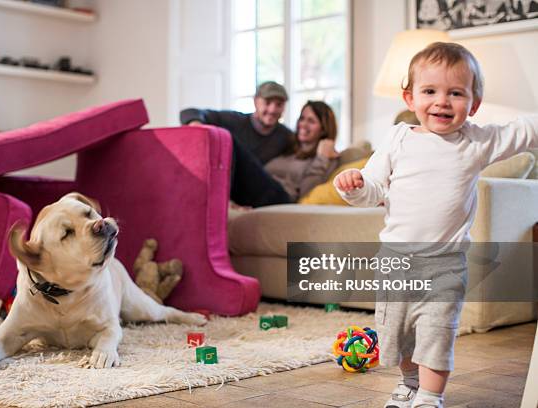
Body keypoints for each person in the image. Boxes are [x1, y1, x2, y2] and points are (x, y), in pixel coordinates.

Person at [334, 42, 538, 408]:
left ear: (473, 104)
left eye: (455, 93)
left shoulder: (476, 141)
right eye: (430, 91)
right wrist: (355, 186)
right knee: (398, 334)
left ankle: (430, 396)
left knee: (437, 332)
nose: (442, 101)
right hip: (395, 259)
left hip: (446, 263)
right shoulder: (398, 138)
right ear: (410, 98)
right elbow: (373, 188)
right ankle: (410, 381)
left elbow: (524, 130)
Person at [180, 81, 294, 165]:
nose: (272, 110)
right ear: (255, 101)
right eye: (267, 103)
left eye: (279, 105)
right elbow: (189, 112)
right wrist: (196, 125)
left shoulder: (285, 136)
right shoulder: (234, 120)